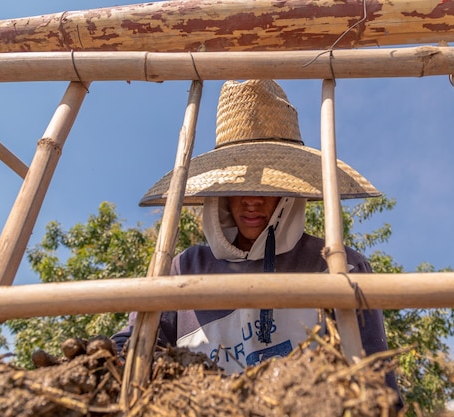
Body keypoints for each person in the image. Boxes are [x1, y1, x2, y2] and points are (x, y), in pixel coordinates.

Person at [112, 79, 400, 397]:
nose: (252, 201)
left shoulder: (338, 268)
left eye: (268, 188)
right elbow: (132, 350)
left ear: (290, 195)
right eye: (239, 187)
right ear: (220, 195)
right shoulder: (185, 269)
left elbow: (378, 391)